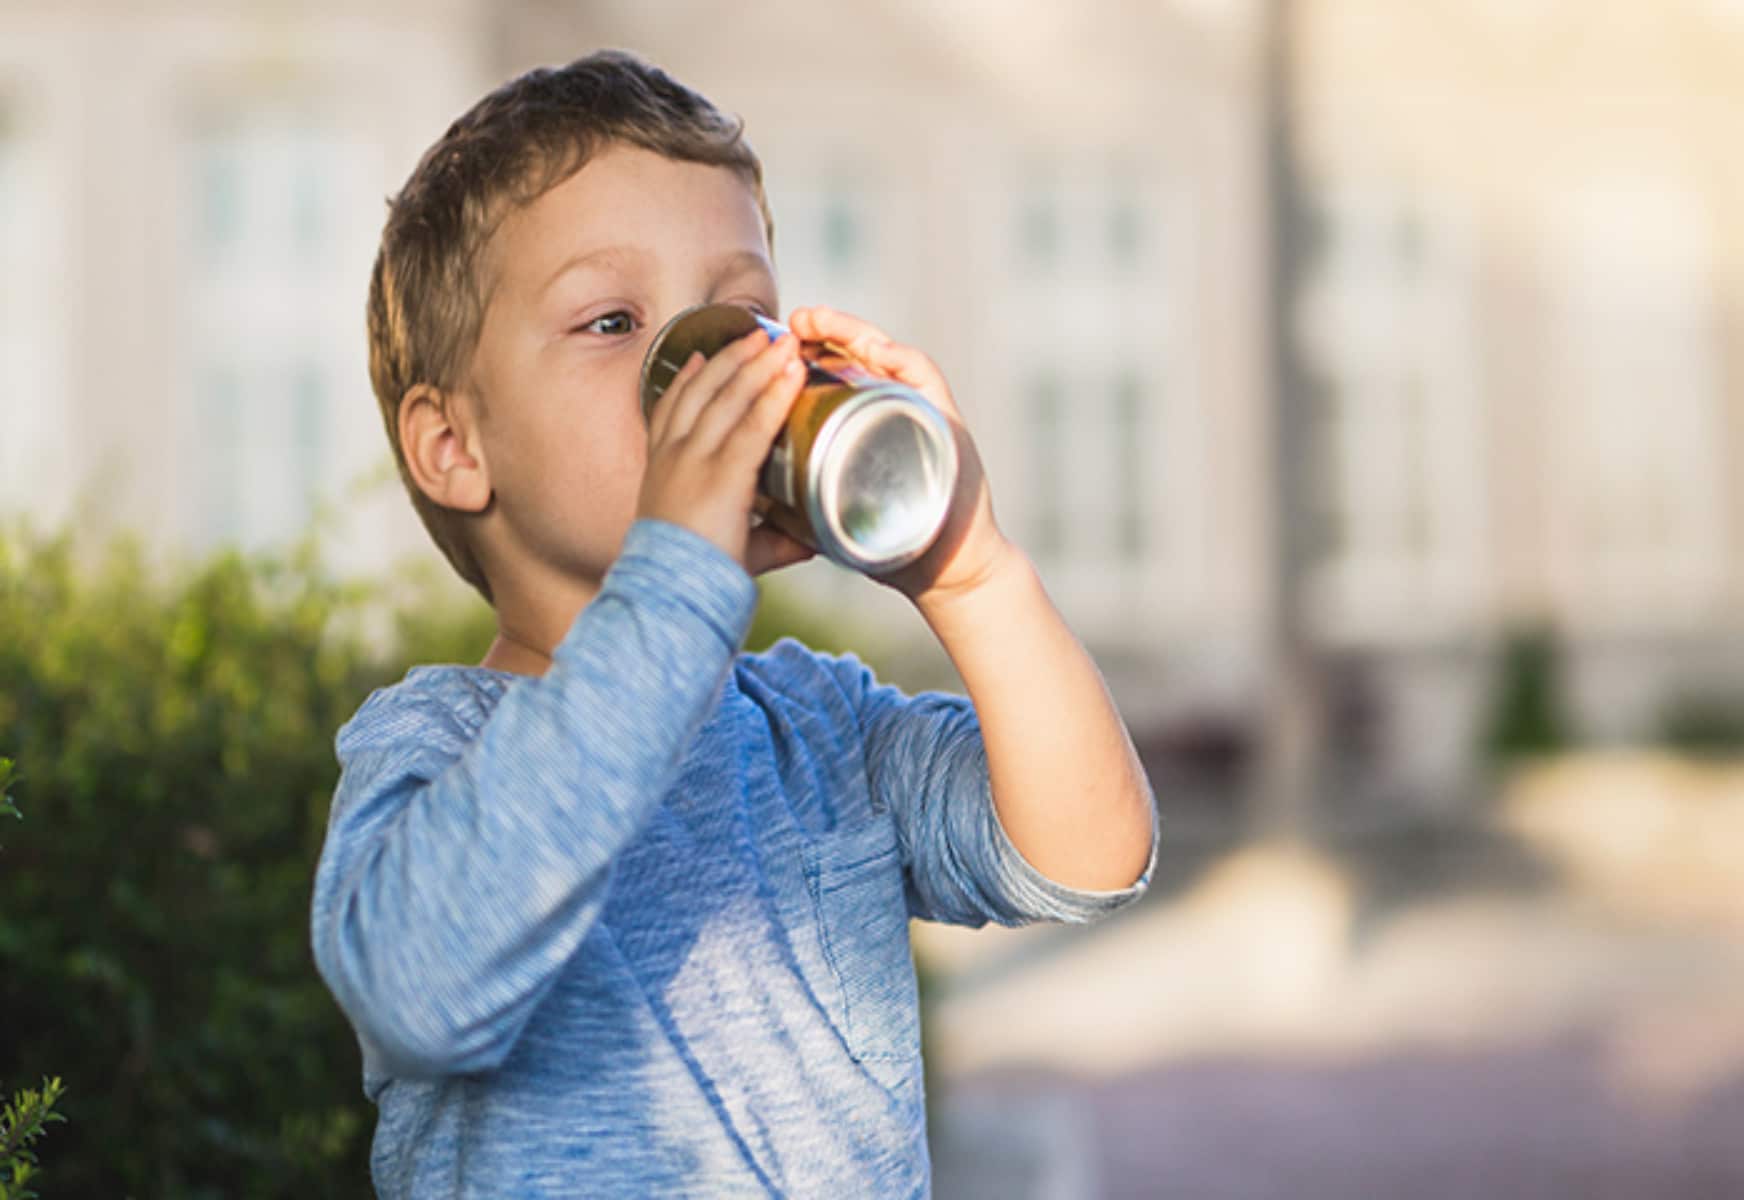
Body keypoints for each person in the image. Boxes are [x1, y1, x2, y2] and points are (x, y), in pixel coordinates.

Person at [308, 48, 1158, 1198]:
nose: (700, 375)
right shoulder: (432, 747)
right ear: (456, 446)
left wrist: (973, 576)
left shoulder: (819, 730)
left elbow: (1087, 857)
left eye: (739, 321)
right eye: (615, 322)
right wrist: (674, 581)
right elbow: (422, 990)